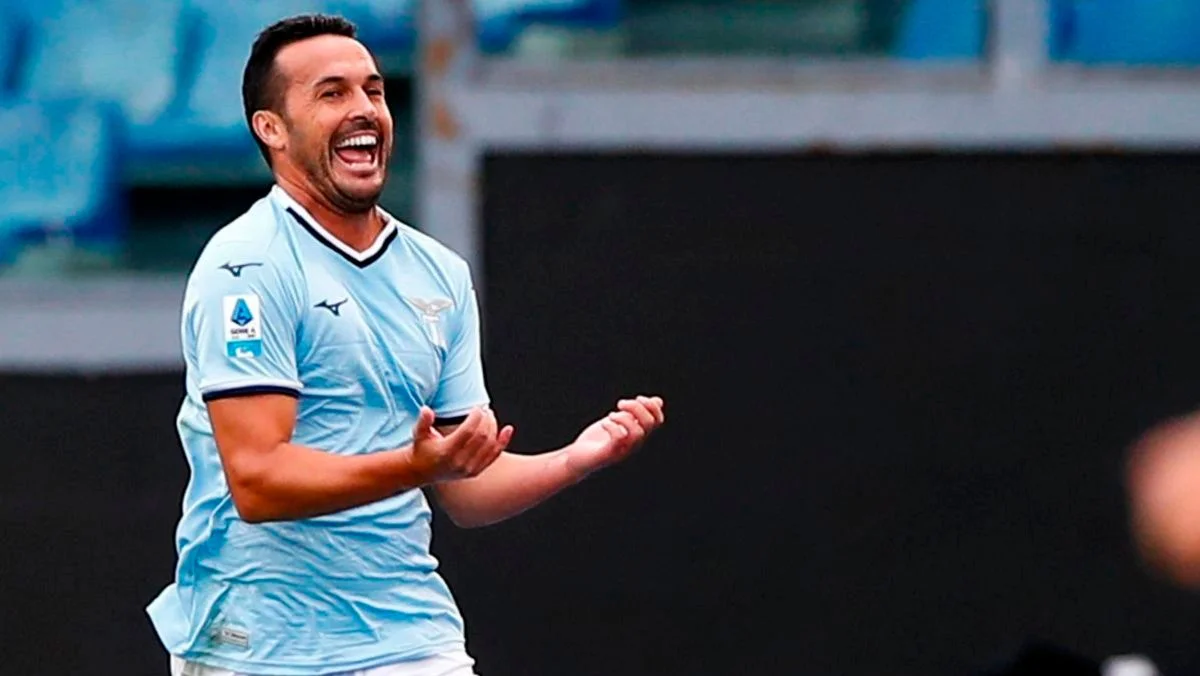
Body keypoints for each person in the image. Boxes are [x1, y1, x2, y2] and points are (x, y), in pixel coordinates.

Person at [145, 14, 666, 676]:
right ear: (271, 128)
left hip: (411, 638)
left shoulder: (438, 273)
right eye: (332, 93)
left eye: (374, 90)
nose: (364, 109)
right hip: (259, 645)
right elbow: (259, 482)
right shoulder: (245, 266)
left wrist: (574, 459)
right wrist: (414, 467)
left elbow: (464, 487)